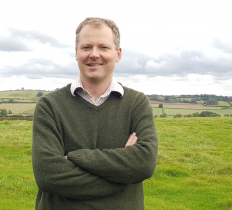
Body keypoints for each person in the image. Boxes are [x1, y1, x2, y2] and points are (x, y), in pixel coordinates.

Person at [32, 17, 158, 210]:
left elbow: (144, 164)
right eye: (86, 47)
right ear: (76, 53)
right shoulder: (49, 106)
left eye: (103, 47)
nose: (94, 54)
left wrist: (75, 157)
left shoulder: (137, 104)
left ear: (118, 53)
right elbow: (48, 176)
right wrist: (123, 174)